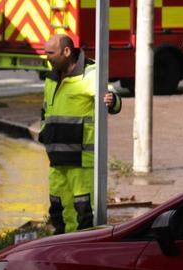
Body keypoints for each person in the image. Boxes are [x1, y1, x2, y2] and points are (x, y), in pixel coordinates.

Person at [40, 34, 122, 234]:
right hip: (57, 159)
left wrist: (113, 101)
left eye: (50, 53)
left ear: (66, 52)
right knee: (58, 209)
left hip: (80, 159)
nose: (47, 58)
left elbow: (112, 98)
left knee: (83, 211)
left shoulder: (90, 74)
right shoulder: (52, 77)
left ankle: (83, 249)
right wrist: (44, 135)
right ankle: (61, 245)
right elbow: (46, 111)